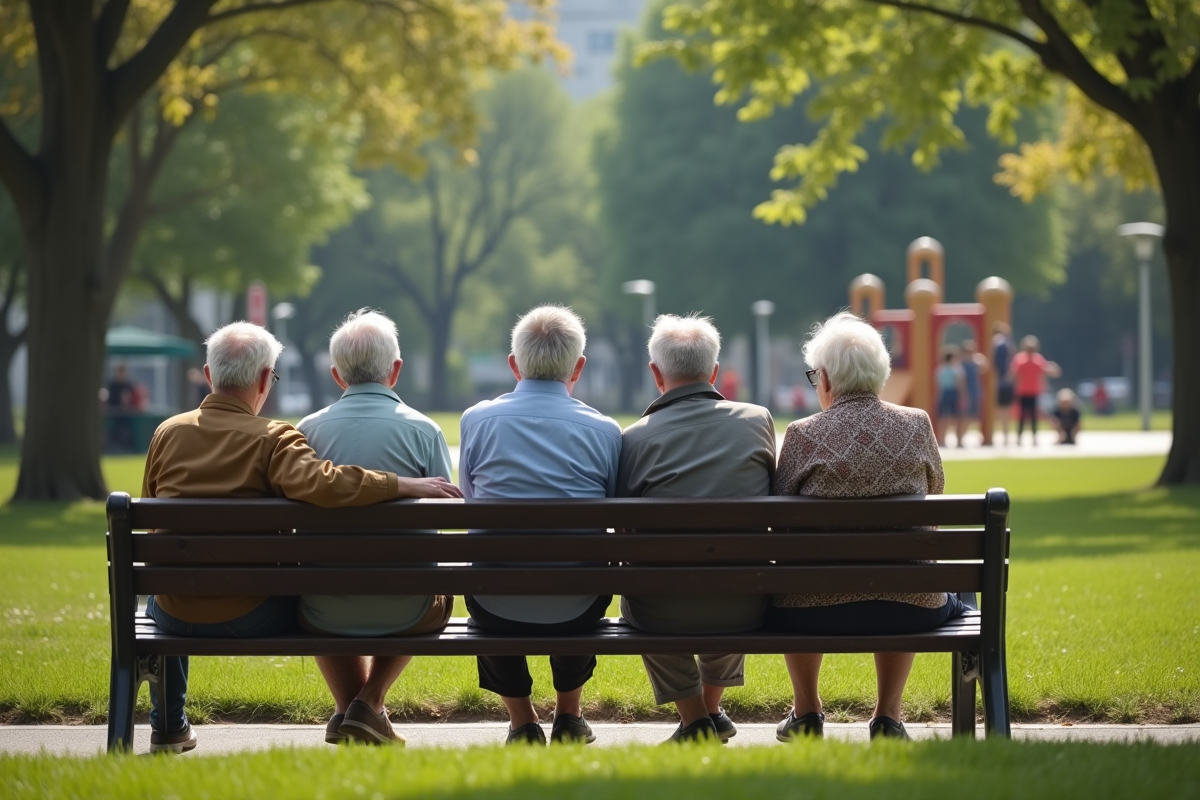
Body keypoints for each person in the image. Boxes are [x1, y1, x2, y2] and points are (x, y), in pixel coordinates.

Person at [141, 322, 461, 754]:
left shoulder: (167, 433)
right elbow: (323, 483)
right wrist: (401, 484)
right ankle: (362, 707)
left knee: (170, 591)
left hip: (175, 613)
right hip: (251, 614)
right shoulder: (274, 438)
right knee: (308, 590)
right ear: (261, 380)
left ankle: (169, 725)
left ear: (209, 374)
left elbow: (152, 518)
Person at [769, 312, 968, 742]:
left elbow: (780, 516)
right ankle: (888, 718)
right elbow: (935, 494)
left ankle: (805, 712)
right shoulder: (917, 425)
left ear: (824, 378)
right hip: (912, 604)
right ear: (881, 373)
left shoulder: (802, 434)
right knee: (914, 571)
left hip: (812, 611)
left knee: (795, 577)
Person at [458, 306, 621, 746]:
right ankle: (569, 715)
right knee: (584, 568)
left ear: (514, 364)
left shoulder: (476, 421)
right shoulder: (605, 431)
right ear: (579, 367)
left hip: (496, 601)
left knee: (487, 572)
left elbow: (470, 504)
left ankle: (523, 722)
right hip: (578, 600)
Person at [296, 310, 456, 746]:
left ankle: (351, 709)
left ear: (336, 375)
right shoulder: (424, 431)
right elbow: (442, 524)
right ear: (396, 370)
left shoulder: (307, 432)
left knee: (323, 582)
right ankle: (368, 702)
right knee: (434, 589)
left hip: (322, 608)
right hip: (407, 607)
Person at [617, 315, 776, 743]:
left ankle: (696, 720)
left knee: (642, 596)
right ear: (715, 372)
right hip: (746, 604)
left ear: (656, 373)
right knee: (734, 570)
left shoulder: (633, 439)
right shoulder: (757, 420)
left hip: (661, 612)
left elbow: (624, 532)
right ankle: (707, 711)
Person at [1008, 335, 1061, 445]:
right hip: (1022, 391)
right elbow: (1013, 374)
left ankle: (1034, 438)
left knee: (1033, 416)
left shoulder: (1037, 359)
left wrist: (1054, 369)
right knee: (1022, 416)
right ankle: (1019, 437)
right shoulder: (1020, 358)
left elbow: (1047, 370)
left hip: (1034, 391)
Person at [957, 339, 988, 445]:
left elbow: (985, 366)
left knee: (974, 415)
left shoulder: (976, 361)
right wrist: (964, 394)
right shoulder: (962, 363)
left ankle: (964, 437)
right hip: (966, 391)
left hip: (975, 390)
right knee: (964, 415)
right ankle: (960, 438)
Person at [934, 347, 965, 448]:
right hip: (953, 393)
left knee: (944, 417)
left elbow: (937, 384)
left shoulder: (940, 369)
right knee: (955, 417)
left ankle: (942, 440)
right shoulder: (956, 369)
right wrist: (963, 395)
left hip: (944, 393)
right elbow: (960, 383)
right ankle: (958, 440)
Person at [992, 322, 1015, 445]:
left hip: (999, 381)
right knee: (1006, 409)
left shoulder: (996, 341)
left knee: (1000, 409)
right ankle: (1005, 435)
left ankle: (1002, 434)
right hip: (1006, 380)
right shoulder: (1006, 342)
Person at [105, 363, 137, 451]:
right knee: (114, 429)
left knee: (129, 429)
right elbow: (110, 400)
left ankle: (129, 447)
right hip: (114, 414)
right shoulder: (112, 385)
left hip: (127, 414)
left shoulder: (129, 385)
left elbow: (133, 399)